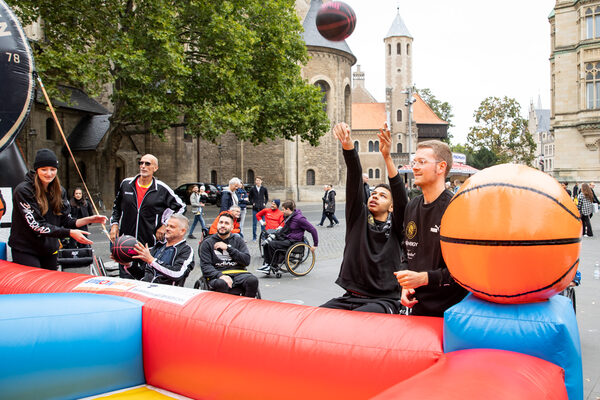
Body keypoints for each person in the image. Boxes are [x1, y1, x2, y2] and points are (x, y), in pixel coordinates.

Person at [320, 123, 407, 314]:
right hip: (351, 297)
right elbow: (354, 176)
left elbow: (402, 200)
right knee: (314, 318)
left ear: (391, 207)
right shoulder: (358, 218)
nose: (375, 196)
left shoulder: (397, 229)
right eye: (374, 193)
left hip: (384, 301)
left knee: (361, 322)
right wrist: (348, 145)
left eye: (383, 196)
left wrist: (387, 158)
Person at [394, 140, 468, 317]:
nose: (415, 168)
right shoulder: (412, 206)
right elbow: (406, 251)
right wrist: (406, 285)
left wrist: (425, 278)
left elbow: (465, 271)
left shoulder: (456, 208)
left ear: (441, 167)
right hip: (418, 308)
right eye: (414, 162)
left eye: (422, 162)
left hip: (450, 311)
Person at [9, 149, 107, 270]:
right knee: (35, 286)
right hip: (26, 249)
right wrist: (69, 233)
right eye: (44, 169)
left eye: (53, 169)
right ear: (36, 170)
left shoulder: (59, 191)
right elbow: (37, 225)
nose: (49, 173)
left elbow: (66, 220)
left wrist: (88, 219)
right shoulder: (23, 190)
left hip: (50, 249)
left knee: (50, 286)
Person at [110, 154, 186, 279]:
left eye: (147, 164)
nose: (143, 166)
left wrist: (165, 225)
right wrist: (114, 225)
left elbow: (181, 207)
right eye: (141, 163)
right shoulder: (126, 184)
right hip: (126, 243)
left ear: (155, 168)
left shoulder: (162, 188)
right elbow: (116, 207)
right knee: (126, 281)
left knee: (146, 280)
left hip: (149, 245)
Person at [199, 212, 258, 297]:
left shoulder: (238, 240)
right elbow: (205, 266)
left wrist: (228, 248)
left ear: (232, 227)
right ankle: (225, 309)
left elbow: (246, 260)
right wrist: (221, 276)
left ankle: (247, 306)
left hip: (238, 273)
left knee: (252, 280)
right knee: (221, 283)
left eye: (226, 223)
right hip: (218, 274)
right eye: (221, 222)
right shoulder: (207, 243)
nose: (223, 225)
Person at [129, 214, 194, 285]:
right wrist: (128, 265)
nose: (167, 229)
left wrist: (151, 260)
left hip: (166, 294)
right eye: (167, 225)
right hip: (146, 292)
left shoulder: (186, 250)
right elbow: (143, 276)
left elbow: (177, 273)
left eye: (172, 227)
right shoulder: (157, 247)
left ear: (182, 231)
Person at [258, 199, 318, 273]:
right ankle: (267, 264)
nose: (282, 211)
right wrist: (275, 235)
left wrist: (315, 245)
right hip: (286, 238)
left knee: (272, 244)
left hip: (293, 241)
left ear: (288, 209)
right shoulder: (289, 217)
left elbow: (313, 230)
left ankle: (272, 264)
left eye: (283, 210)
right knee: (267, 242)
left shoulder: (300, 219)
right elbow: (284, 229)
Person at [248, 176, 269, 241]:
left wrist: (264, 203)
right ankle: (254, 237)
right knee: (254, 224)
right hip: (255, 208)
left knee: (263, 223)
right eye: (256, 180)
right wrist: (252, 203)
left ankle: (263, 236)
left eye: (259, 180)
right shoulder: (252, 189)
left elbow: (266, 197)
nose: (257, 182)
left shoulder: (264, 189)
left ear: (261, 181)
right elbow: (250, 197)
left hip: (262, 208)